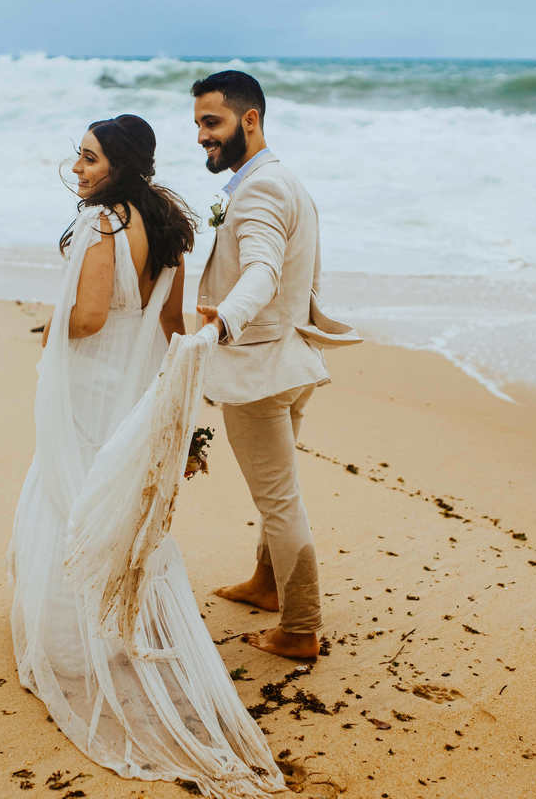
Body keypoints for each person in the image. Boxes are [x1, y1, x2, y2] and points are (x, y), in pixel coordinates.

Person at [6, 114, 285, 798]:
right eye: (78, 157)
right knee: (117, 504)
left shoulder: (100, 224)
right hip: (136, 384)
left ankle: (75, 642)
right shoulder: (166, 224)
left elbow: (92, 317)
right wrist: (170, 412)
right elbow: (169, 324)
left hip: (93, 379)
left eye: (89, 158)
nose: (78, 169)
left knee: (70, 493)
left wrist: (54, 317)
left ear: (120, 162)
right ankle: (122, 626)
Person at [193, 71, 360, 661]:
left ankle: (299, 626)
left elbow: (262, 271)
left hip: (260, 370)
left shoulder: (260, 190)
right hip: (291, 359)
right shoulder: (286, 181)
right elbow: (301, 275)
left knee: (279, 500)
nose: (202, 137)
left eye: (212, 123)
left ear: (251, 120)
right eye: (198, 126)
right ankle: (267, 585)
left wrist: (222, 322)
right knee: (279, 490)